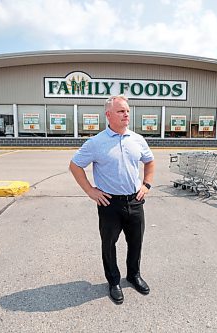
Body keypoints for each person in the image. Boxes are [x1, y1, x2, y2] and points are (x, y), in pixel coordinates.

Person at [69, 95, 155, 304]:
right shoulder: (96, 142)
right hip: (109, 204)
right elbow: (75, 166)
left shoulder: (137, 139)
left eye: (127, 110)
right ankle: (113, 281)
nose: (126, 114)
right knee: (109, 244)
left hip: (134, 201)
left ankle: (133, 275)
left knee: (136, 242)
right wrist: (91, 191)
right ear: (108, 114)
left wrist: (146, 185)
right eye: (121, 111)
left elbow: (149, 162)